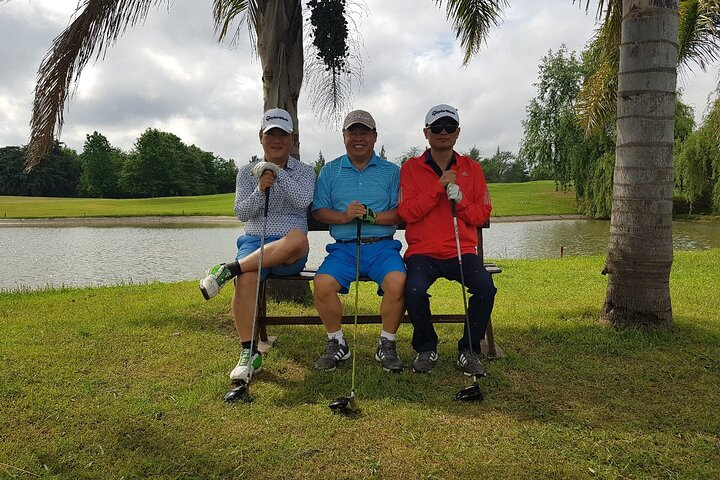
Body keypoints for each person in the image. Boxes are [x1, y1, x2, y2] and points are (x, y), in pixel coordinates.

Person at [199, 107, 316, 382]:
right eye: (271, 134)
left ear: (292, 139)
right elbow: (242, 212)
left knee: (299, 239)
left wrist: (277, 173)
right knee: (248, 277)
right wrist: (259, 188)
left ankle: (229, 269)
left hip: (290, 249)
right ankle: (248, 352)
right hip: (253, 243)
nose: (277, 141)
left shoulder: (305, 171)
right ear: (261, 137)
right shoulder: (244, 173)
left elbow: (302, 201)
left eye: (283, 135)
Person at [398, 104, 496, 376]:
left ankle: (469, 349)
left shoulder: (472, 169)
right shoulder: (411, 168)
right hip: (423, 252)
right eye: (437, 128)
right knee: (413, 290)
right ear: (426, 133)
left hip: (461, 251)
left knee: (485, 288)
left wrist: (462, 201)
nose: (444, 132)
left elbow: (481, 214)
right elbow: (406, 212)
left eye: (449, 127)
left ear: (457, 132)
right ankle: (426, 347)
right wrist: (437, 188)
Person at [311, 109, 407, 373]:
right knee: (322, 283)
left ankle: (386, 344)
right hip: (344, 250)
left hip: (382, 247)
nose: (358, 137)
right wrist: (343, 216)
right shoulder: (330, 170)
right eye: (352, 132)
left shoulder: (391, 171)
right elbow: (318, 210)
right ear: (344, 136)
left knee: (398, 282)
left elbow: (401, 212)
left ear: (374, 136)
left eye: (364, 132)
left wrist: (372, 216)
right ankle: (337, 343)